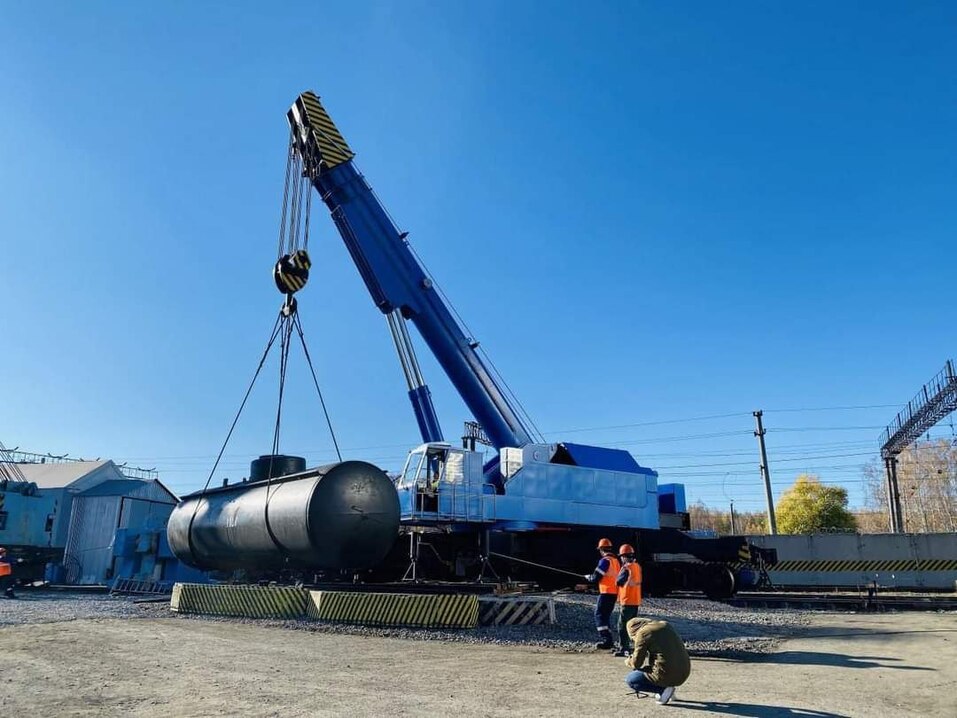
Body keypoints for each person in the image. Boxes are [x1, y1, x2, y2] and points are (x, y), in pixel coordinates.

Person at [623, 617, 691, 705]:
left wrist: (628, 660)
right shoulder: (665, 625)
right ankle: (668, 689)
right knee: (653, 668)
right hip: (684, 671)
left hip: (667, 673)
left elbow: (636, 663)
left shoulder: (643, 633)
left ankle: (663, 690)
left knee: (631, 679)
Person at [583, 538, 621, 649]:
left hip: (606, 592)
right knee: (605, 616)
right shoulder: (616, 561)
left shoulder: (605, 560)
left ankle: (606, 639)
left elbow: (596, 577)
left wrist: (589, 577)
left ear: (601, 549)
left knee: (599, 615)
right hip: (614, 593)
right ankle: (609, 640)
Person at [614, 543, 642, 657]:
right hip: (635, 600)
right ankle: (637, 648)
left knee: (623, 626)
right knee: (634, 626)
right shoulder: (637, 566)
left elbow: (618, 581)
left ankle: (624, 649)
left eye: (621, 556)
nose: (621, 559)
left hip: (627, 601)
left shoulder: (626, 568)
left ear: (624, 556)